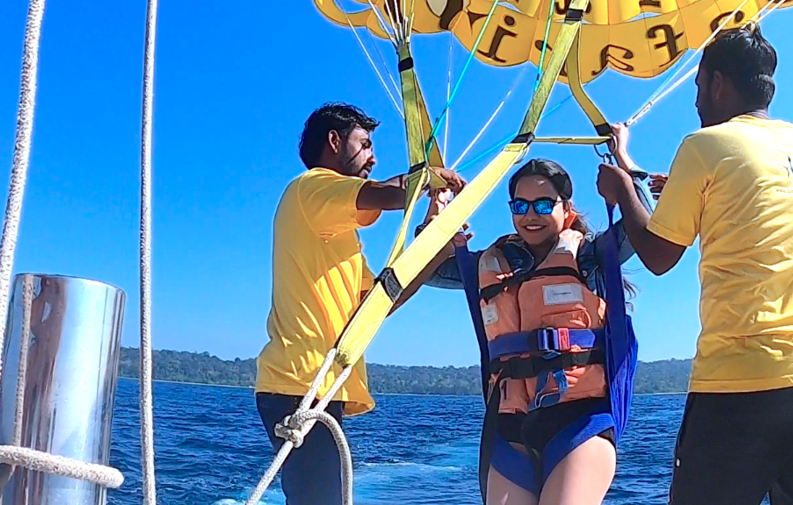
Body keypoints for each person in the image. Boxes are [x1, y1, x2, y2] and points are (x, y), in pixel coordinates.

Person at [596, 24, 793, 505]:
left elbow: (657, 255)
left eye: (697, 87)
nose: (695, 102)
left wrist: (620, 190)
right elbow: (748, 196)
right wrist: (632, 165)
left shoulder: (703, 145)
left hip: (742, 378)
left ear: (718, 83)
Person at [255, 102, 465, 505]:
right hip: (297, 383)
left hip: (313, 387)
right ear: (334, 142)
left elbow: (382, 299)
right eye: (365, 144)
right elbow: (385, 194)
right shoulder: (310, 188)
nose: (374, 157)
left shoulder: (338, 236)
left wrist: (434, 245)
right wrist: (430, 178)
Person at [422, 149, 652, 505]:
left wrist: (625, 165)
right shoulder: (489, 263)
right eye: (521, 205)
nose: (531, 215)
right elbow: (426, 269)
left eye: (544, 205)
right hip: (511, 424)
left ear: (566, 208)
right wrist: (436, 210)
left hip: (579, 419)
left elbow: (642, 226)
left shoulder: (590, 256)